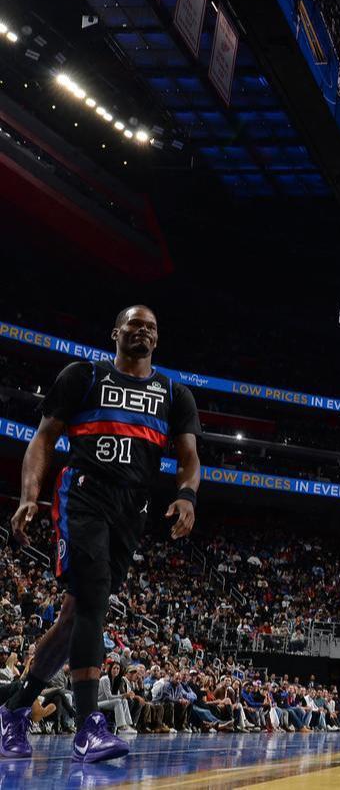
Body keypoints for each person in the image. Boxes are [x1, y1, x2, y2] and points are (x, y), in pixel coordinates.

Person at [2, 306, 200, 763]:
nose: (143, 331)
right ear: (116, 333)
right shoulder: (84, 376)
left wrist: (188, 496)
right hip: (83, 496)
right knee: (92, 599)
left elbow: (190, 458)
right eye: (134, 324)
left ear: (157, 339)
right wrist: (29, 495)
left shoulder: (174, 394)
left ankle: (12, 712)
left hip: (132, 511)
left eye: (151, 326)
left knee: (75, 617)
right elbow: (43, 440)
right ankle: (89, 728)